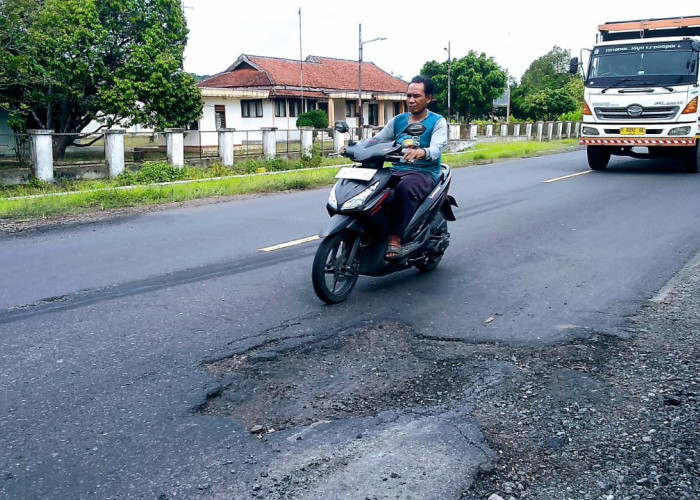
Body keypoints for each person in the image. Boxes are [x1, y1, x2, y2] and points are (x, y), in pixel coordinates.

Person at [344, 75, 447, 260]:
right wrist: (355, 147)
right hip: (397, 169)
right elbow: (378, 139)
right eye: (408, 96)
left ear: (429, 98)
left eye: (416, 96)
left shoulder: (437, 121)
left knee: (404, 189)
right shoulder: (399, 120)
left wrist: (422, 152)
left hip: (423, 172)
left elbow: (437, 147)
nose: (411, 100)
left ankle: (396, 237)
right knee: (371, 189)